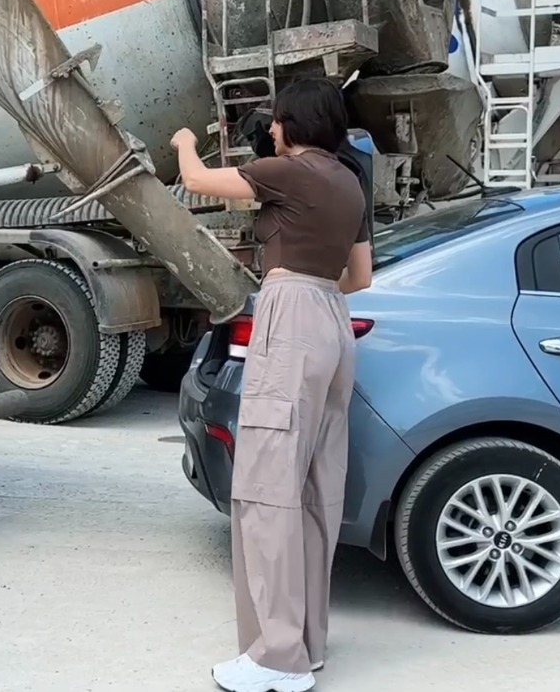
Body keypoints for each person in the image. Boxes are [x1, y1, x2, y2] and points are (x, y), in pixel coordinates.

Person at [172, 76, 373, 692]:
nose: (274, 129)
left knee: (265, 491)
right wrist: (314, 295)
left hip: (291, 316)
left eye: (279, 120)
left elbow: (200, 181)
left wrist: (183, 142)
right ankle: (306, 645)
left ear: (293, 124)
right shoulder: (350, 181)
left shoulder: (290, 171)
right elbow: (358, 278)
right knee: (315, 492)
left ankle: (276, 658)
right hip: (334, 326)